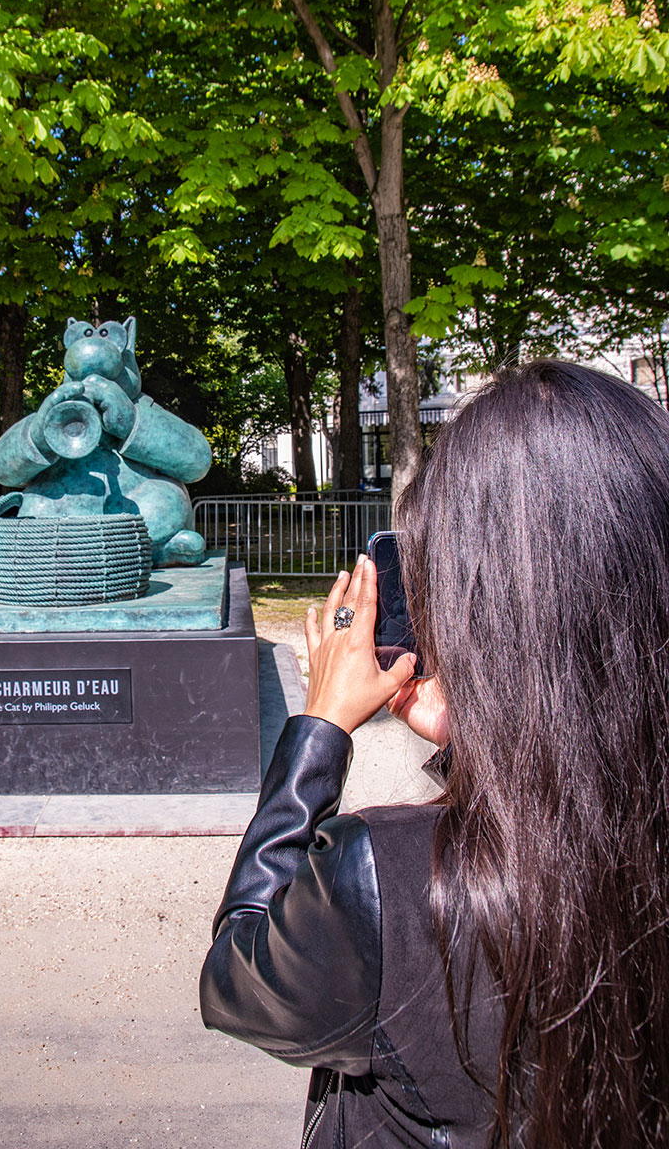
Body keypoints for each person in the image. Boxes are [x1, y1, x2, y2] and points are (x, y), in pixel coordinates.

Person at [199, 360, 669, 1148]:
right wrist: (490, 731)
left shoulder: (385, 877)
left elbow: (237, 982)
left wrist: (318, 730)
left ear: (469, 611)